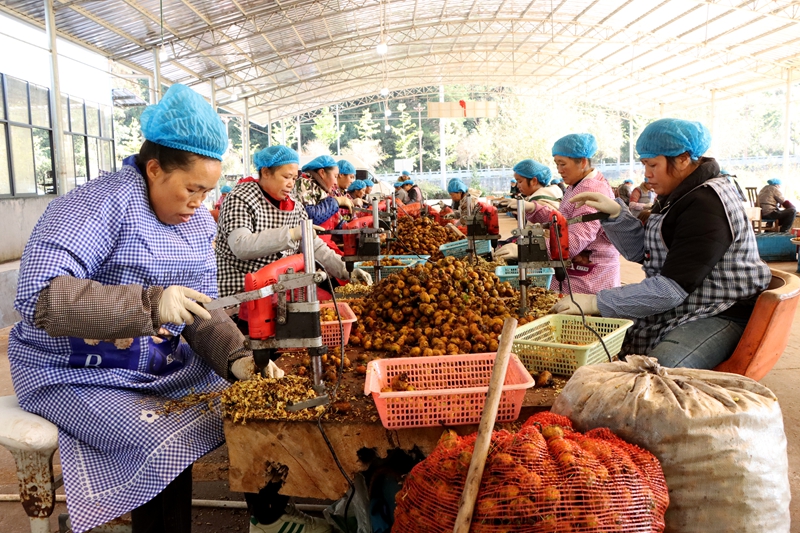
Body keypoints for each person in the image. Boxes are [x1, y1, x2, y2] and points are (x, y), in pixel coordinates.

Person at [7, 84, 266, 533]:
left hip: (156, 367)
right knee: (160, 439)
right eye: (191, 189)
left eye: (206, 192)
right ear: (153, 169)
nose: (198, 203)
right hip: (76, 375)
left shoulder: (198, 223)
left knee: (254, 405)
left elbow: (205, 309)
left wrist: (236, 357)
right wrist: (150, 305)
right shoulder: (95, 206)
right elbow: (39, 296)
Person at [552, 118, 771, 369]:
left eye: (653, 164)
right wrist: (615, 216)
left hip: (721, 311)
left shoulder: (706, 204)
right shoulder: (677, 194)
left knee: (660, 369)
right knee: (613, 343)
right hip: (689, 303)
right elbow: (643, 253)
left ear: (683, 159)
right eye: (645, 164)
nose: (646, 174)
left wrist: (594, 302)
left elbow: (670, 290)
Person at [216, 145, 372, 300]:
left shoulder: (294, 206)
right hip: (241, 295)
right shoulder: (240, 198)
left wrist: (346, 270)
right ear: (265, 172)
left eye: (293, 178)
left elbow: (315, 246)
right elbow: (242, 246)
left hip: (279, 291)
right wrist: (291, 234)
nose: (291, 184)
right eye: (286, 177)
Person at [494, 134, 620, 294]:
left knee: (579, 314)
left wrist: (524, 250)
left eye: (562, 164)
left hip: (589, 278)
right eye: (556, 164)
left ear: (582, 162)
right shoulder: (577, 184)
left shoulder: (592, 189)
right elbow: (564, 219)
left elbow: (574, 242)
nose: (559, 170)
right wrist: (533, 208)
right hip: (574, 270)